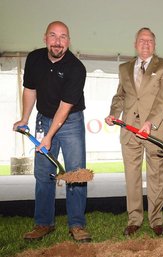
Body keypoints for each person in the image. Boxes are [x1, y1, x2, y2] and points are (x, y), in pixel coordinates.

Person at [13, 21, 91, 242]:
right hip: (43, 119)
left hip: (71, 122)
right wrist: (24, 118)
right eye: (53, 36)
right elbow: (30, 89)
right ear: (45, 38)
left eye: (63, 37)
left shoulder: (76, 68)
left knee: (75, 174)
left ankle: (76, 224)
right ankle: (43, 223)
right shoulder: (34, 59)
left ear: (69, 41)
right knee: (43, 173)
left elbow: (65, 108)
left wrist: (48, 138)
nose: (58, 42)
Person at [105, 27, 163, 237]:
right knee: (132, 177)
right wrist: (112, 113)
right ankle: (134, 219)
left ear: (155, 44)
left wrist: (150, 123)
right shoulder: (124, 68)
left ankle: (156, 220)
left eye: (150, 40)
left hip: (155, 131)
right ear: (135, 43)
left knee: (156, 176)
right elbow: (121, 96)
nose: (146, 44)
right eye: (142, 40)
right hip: (129, 130)